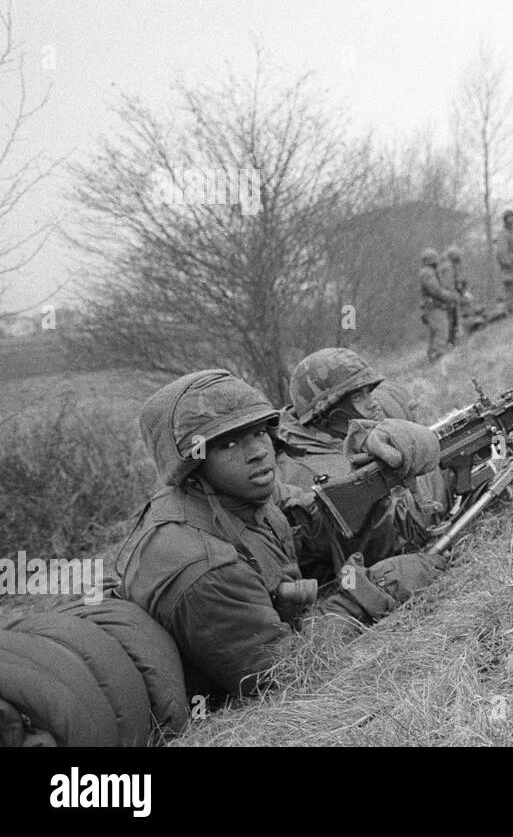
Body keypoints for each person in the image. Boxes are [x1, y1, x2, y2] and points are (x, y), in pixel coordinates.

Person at [112, 369, 445, 704]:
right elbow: (282, 673)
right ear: (190, 464)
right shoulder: (202, 566)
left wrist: (376, 468)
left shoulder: (243, 494)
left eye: (258, 432)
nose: (257, 451)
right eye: (229, 443)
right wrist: (373, 588)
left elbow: (322, 524)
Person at [276, 348, 447, 582]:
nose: (373, 404)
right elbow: (382, 538)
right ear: (327, 413)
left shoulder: (340, 433)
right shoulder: (305, 471)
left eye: (369, 392)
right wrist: (439, 472)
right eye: (358, 398)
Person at [419, 247, 460, 362]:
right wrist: (450, 296)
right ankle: (438, 356)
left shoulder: (429, 272)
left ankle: (433, 356)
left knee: (436, 332)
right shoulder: (427, 273)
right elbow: (436, 290)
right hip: (434, 308)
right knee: (441, 330)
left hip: (434, 307)